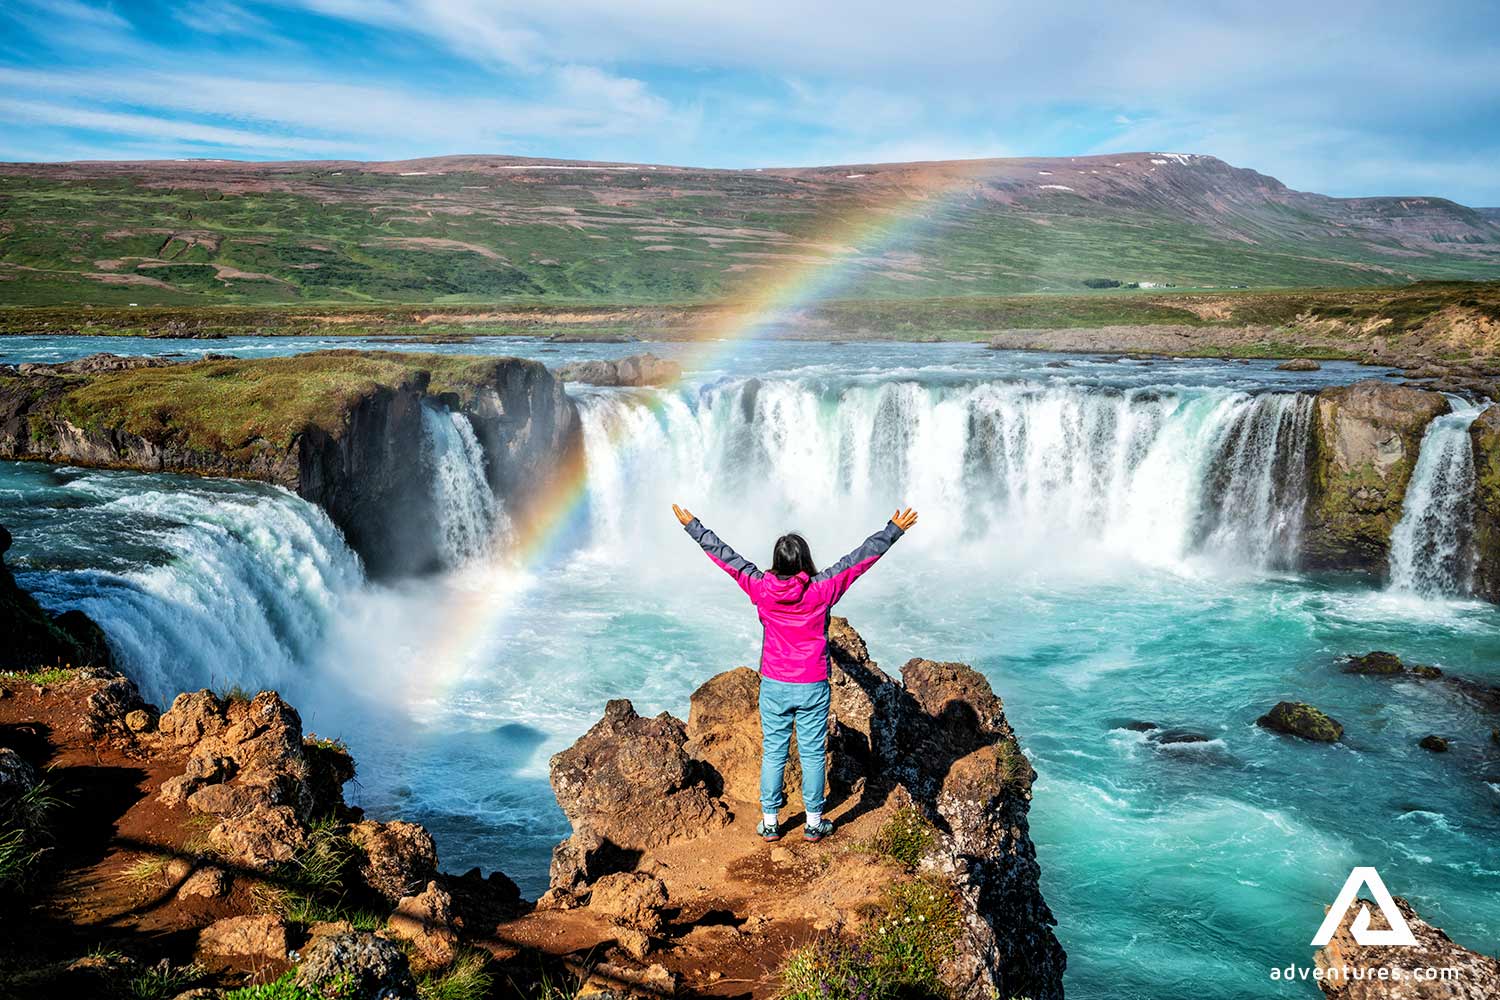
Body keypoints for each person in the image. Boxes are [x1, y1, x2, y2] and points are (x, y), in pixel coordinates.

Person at [672, 503, 919, 843]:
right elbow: (860, 559)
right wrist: (893, 529)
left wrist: (694, 527)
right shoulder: (822, 589)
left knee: (774, 751)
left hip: (774, 683)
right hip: (812, 683)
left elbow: (728, 559)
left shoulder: (761, 587)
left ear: (777, 561)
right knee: (813, 753)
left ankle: (771, 822)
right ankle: (814, 822)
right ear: (804, 561)